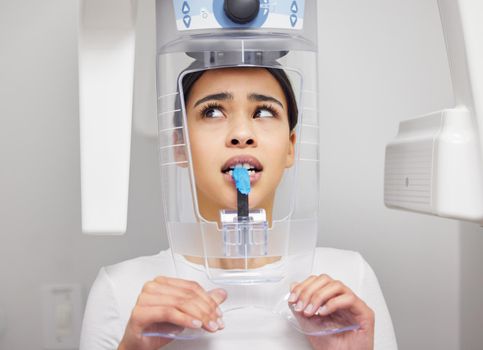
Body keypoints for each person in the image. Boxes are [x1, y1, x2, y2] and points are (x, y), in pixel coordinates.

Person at [79, 67, 398, 350]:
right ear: (179, 147)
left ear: (290, 147)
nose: (242, 135)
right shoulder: (121, 289)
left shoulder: (349, 280)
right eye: (213, 112)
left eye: (263, 112)